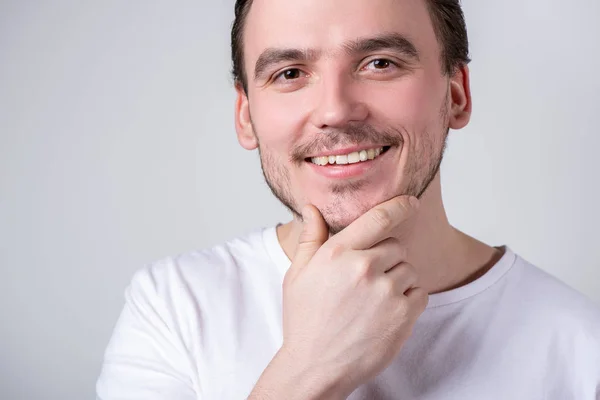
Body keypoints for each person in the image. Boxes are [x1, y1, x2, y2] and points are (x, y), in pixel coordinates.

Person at [96, 0, 600, 398]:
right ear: (246, 117)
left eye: (380, 63)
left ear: (457, 94)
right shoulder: (173, 309)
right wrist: (308, 371)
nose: (335, 111)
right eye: (290, 73)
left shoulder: (581, 348)